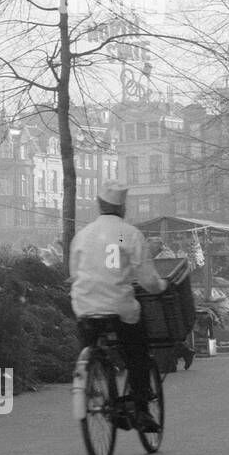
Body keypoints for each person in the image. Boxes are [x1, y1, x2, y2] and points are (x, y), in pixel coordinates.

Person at [69, 182, 166, 430]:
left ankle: (96, 378)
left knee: (91, 343)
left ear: (99, 205)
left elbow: (73, 272)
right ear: (123, 207)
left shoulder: (83, 234)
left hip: (85, 306)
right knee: (137, 351)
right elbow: (146, 279)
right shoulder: (126, 233)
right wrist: (160, 286)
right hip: (119, 308)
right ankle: (141, 410)